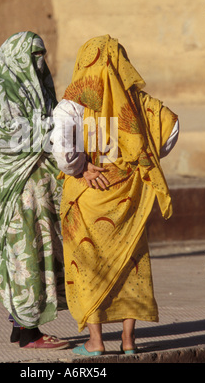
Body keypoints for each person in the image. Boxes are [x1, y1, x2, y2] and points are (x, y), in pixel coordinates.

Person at [51, 34, 179, 356]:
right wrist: (139, 159)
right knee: (130, 265)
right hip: (128, 198)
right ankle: (129, 341)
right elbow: (171, 127)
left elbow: (63, 150)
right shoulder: (139, 104)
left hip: (87, 195)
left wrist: (80, 167)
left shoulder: (73, 103)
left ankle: (96, 342)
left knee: (88, 264)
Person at [0, 31, 69, 350]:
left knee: (39, 253)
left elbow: (55, 122)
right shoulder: (2, 90)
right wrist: (54, 128)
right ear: (17, 57)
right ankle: (31, 333)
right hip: (16, 192)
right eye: (34, 56)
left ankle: (21, 326)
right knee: (23, 255)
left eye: (42, 55)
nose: (41, 62)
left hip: (37, 191)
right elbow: (8, 137)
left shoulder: (38, 87)